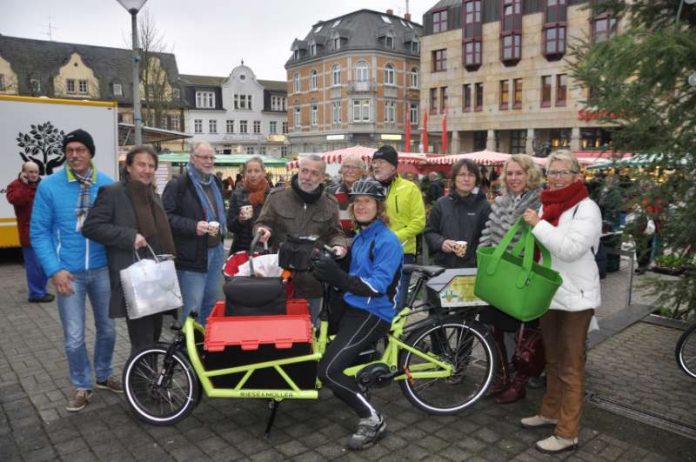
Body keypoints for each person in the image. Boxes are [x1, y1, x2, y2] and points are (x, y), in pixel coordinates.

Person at [30, 129, 120, 412]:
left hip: (102, 268)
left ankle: (104, 374)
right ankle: (82, 384)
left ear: (90, 152)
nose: (74, 155)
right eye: (69, 150)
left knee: (107, 329)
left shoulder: (107, 184)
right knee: (74, 335)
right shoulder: (50, 186)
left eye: (80, 149)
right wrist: (54, 270)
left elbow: (117, 227)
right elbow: (40, 232)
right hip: (68, 273)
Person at [312, 178, 403, 450]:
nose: (361, 206)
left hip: (374, 312)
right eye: (357, 201)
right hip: (353, 305)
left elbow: (376, 287)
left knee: (328, 370)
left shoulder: (387, 240)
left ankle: (372, 419)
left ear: (379, 206)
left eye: (368, 201)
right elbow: (352, 273)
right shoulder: (362, 236)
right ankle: (354, 385)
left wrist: (338, 277)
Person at [520, 150, 601, 454]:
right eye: (551, 172)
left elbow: (569, 249)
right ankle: (550, 412)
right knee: (552, 360)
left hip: (576, 298)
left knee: (571, 366)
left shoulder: (586, 208)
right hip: (549, 293)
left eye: (562, 172)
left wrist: (538, 224)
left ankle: (568, 432)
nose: (554, 178)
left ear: (577, 175)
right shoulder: (548, 204)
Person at [82, 146, 176, 353]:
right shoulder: (113, 192)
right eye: (142, 164)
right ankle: (139, 384)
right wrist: (129, 236)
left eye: (151, 166)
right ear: (128, 167)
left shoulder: (152, 194)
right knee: (142, 342)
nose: (147, 170)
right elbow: (91, 227)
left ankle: (148, 382)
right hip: (135, 279)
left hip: (157, 277)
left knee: (154, 336)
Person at [479, 154, 544, 404]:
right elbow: (488, 235)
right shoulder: (501, 201)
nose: (514, 178)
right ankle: (502, 375)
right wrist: (483, 259)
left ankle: (521, 381)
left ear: (530, 175)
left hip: (525, 275)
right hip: (500, 275)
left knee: (526, 333)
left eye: (520, 173)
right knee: (496, 326)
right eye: (510, 173)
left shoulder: (539, 202)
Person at [255, 154, 347, 323]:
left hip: (313, 281)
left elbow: (336, 233)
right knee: (277, 328)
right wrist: (263, 231)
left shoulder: (330, 203)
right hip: (279, 279)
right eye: (304, 171)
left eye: (314, 173)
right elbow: (262, 223)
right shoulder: (277, 197)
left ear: (322, 177)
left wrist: (339, 246)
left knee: (309, 329)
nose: (307, 177)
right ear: (298, 171)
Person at [162, 141, 225, 326]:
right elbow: (166, 217)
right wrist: (193, 226)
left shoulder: (216, 183)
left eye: (212, 157)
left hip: (216, 250)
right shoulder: (178, 184)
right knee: (192, 309)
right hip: (191, 256)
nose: (209, 161)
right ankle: (186, 353)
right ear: (192, 158)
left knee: (210, 305)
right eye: (204, 157)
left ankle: (203, 349)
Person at [371, 145, 425, 309]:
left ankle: (395, 334)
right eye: (374, 162)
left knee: (396, 302)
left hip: (402, 254)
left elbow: (419, 221)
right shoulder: (369, 187)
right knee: (374, 300)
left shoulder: (410, 188)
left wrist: (393, 238)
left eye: (381, 162)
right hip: (373, 253)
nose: (376, 166)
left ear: (394, 166)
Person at [424, 159, 490, 269]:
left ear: (476, 180)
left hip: (473, 268)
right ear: (454, 179)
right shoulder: (442, 204)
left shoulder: (484, 206)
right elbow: (429, 232)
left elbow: (489, 239)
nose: (466, 179)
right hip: (444, 266)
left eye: (471, 175)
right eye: (462, 175)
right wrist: (441, 243)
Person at [6, 161, 54, 303]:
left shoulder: (44, 185)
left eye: (36, 172)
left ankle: (42, 290)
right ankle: (36, 293)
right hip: (28, 232)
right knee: (34, 266)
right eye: (30, 172)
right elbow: (17, 200)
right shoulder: (15, 186)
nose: (33, 175)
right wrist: (25, 185)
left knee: (45, 263)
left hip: (45, 231)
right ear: (24, 172)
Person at [226, 157, 271, 254]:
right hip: (240, 250)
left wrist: (267, 230)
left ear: (264, 172)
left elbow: (278, 226)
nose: (253, 175)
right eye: (249, 171)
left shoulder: (271, 195)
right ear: (245, 173)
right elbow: (230, 226)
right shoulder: (237, 194)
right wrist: (240, 220)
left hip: (264, 250)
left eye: (257, 171)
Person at [326, 153, 367, 240]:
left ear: (361, 171)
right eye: (346, 167)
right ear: (341, 170)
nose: (350, 171)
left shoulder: (368, 193)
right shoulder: (330, 192)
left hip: (361, 244)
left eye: (354, 167)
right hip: (336, 243)